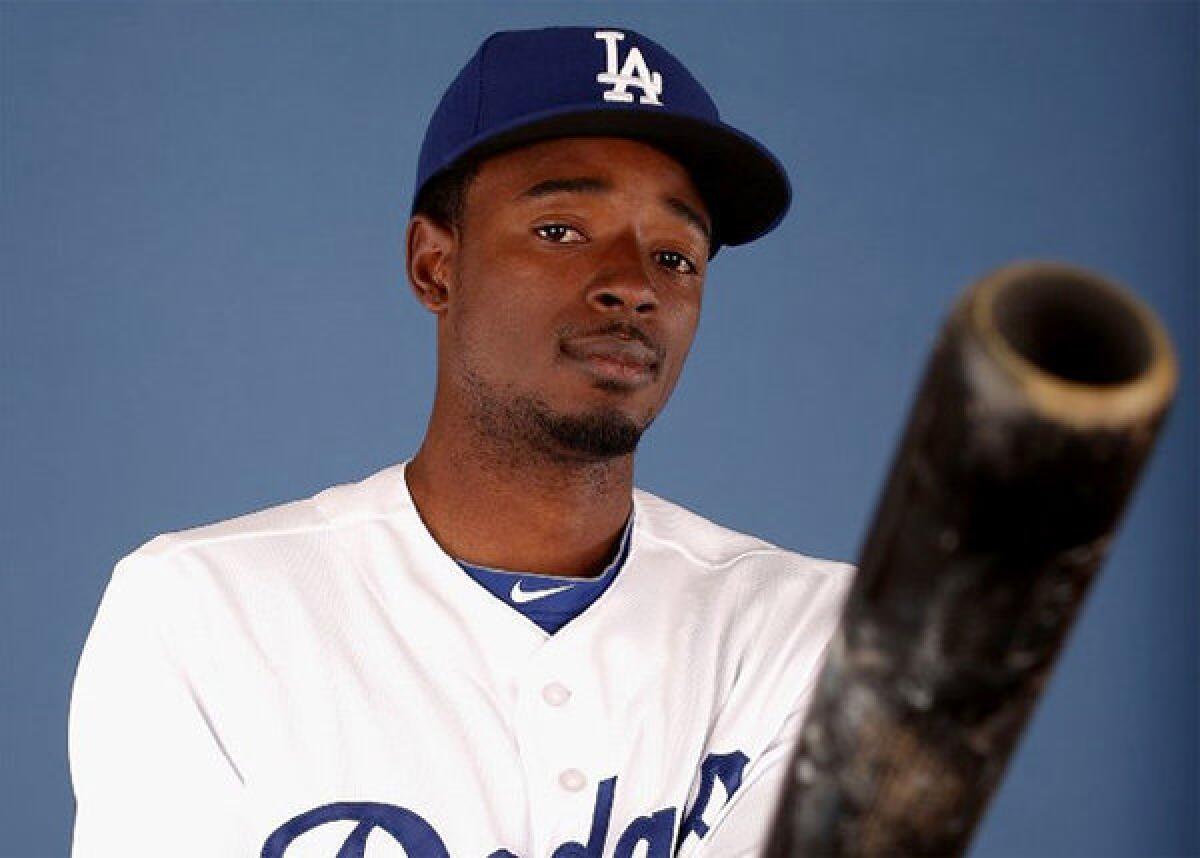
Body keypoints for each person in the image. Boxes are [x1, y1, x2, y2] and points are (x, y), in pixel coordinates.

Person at [68, 26, 853, 857]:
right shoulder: (201, 611)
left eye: (675, 254)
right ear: (435, 266)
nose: (632, 285)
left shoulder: (815, 632)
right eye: (561, 230)